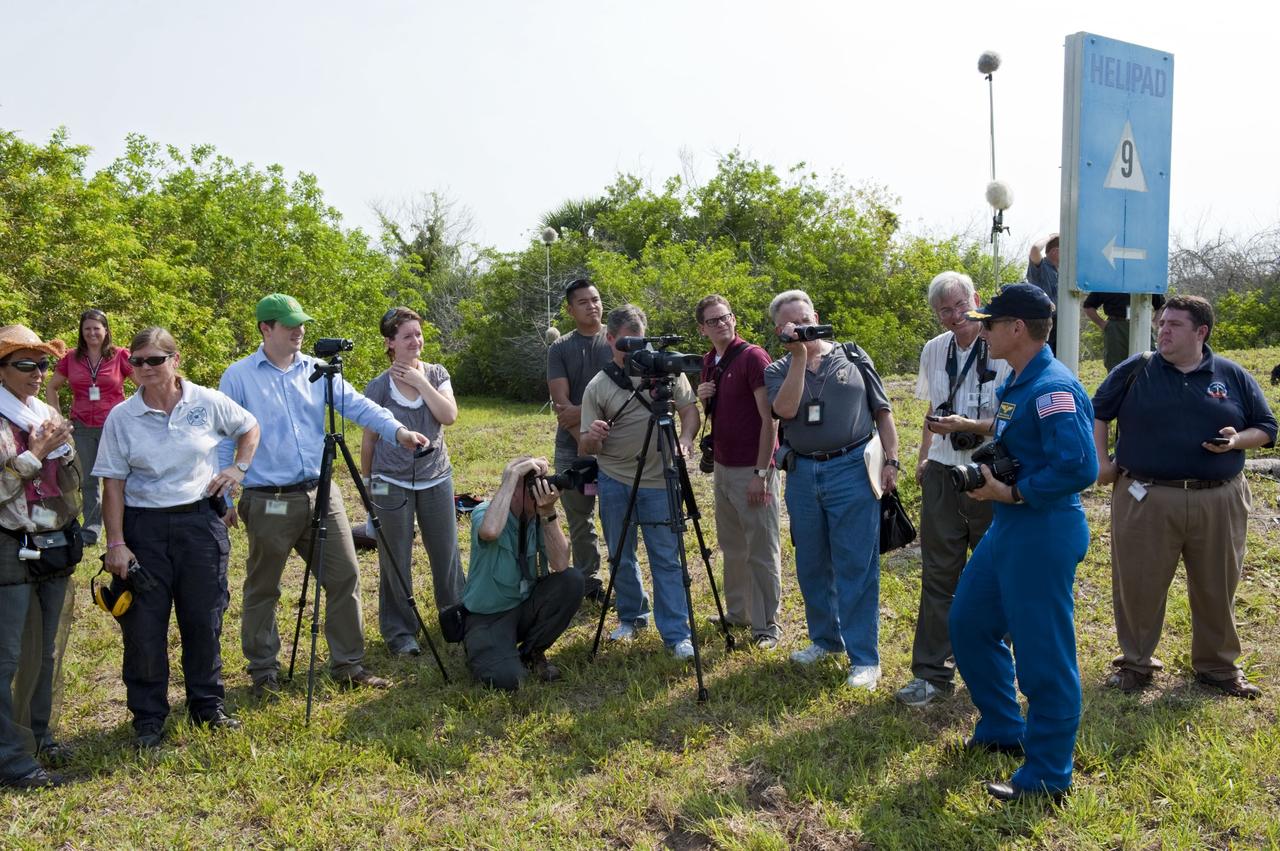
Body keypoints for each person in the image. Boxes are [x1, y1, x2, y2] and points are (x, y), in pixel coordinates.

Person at [218, 294, 429, 699]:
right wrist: (225, 496)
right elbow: (224, 438)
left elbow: (360, 406)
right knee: (264, 587)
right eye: (289, 324)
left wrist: (398, 431)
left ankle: (348, 664)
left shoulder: (319, 371)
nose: (299, 331)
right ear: (265, 328)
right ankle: (264, 673)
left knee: (345, 575)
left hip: (320, 492)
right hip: (268, 498)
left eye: (302, 323)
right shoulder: (239, 377)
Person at [948, 284, 1097, 802]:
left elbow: (1081, 466)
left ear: (1016, 329)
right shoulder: (1020, 381)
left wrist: (1014, 490)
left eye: (988, 324)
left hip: (1042, 529)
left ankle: (1047, 776)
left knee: (1043, 657)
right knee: (968, 623)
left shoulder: (1055, 387)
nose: (980, 331)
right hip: (1010, 527)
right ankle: (1002, 728)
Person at [1092, 295, 1276, 698]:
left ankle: (1217, 667)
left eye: (1174, 324)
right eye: (1162, 323)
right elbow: (1098, 412)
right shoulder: (1136, 369)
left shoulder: (1232, 375)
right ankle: (1135, 664)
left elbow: (1266, 427)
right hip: (1146, 497)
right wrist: (1102, 461)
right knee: (1138, 585)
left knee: (1217, 584)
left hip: (1220, 498)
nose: (1164, 331)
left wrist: (1236, 440)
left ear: (1201, 332)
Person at [95, 327, 260, 749]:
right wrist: (116, 543)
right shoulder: (121, 416)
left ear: (175, 360)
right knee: (144, 629)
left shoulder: (205, 402)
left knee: (203, 619)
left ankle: (207, 706)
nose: (145, 368)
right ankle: (148, 718)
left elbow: (249, 426)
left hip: (199, 525)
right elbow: (112, 482)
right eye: (138, 361)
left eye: (155, 360)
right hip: (144, 529)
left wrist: (237, 470)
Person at [763, 290, 900, 691]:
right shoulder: (777, 370)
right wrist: (800, 357)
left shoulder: (854, 355)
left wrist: (892, 460)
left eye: (805, 319)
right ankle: (825, 640)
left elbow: (883, 411)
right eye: (792, 325)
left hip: (853, 468)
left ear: (816, 315)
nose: (802, 328)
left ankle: (864, 659)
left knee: (856, 564)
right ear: (780, 331)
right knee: (812, 562)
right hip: (804, 472)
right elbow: (784, 411)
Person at [896, 273, 1010, 707]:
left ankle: (996, 671)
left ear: (975, 300)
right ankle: (931, 674)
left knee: (996, 573)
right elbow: (931, 410)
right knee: (938, 572)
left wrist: (970, 427)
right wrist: (924, 455)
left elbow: (1012, 418)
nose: (954, 315)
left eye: (960, 305)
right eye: (944, 310)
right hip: (944, 470)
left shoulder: (1001, 345)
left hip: (990, 471)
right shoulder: (933, 350)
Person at [579, 305, 700, 659]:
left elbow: (689, 410)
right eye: (625, 345)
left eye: (640, 343)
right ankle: (632, 616)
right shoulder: (598, 385)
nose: (634, 352)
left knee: (667, 556)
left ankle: (677, 633)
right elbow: (585, 444)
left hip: (661, 479)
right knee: (621, 555)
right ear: (610, 339)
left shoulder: (666, 374)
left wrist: (687, 440)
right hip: (615, 479)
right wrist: (595, 435)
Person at [0, 326, 80, 789]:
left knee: (47, 649)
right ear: (3, 370)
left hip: (53, 539)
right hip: (8, 544)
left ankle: (39, 734)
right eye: (25, 365)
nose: (37, 374)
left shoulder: (45, 410)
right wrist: (36, 453)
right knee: (6, 655)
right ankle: (9, 755)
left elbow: (68, 483)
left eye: (43, 365)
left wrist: (64, 451)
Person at [360, 307, 465, 657]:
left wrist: (421, 382)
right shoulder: (378, 387)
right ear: (390, 342)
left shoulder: (436, 374)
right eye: (407, 336)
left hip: (436, 476)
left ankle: (455, 618)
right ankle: (401, 632)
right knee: (395, 558)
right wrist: (367, 484)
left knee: (446, 553)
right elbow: (370, 440)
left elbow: (448, 415)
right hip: (390, 481)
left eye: (418, 334)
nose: (416, 341)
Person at [694, 295, 782, 649]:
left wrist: (762, 472)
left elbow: (769, 418)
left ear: (734, 319)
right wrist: (703, 396)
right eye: (713, 321)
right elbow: (717, 414)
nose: (721, 324)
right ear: (702, 329)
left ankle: (767, 626)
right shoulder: (708, 362)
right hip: (724, 465)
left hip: (753, 466)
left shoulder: (753, 357)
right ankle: (739, 612)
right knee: (732, 545)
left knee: (761, 547)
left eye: (725, 317)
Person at [461, 456, 584, 690]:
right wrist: (511, 478)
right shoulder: (486, 512)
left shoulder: (539, 516)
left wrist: (548, 511)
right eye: (534, 485)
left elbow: (560, 564)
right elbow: (489, 532)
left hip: (524, 606)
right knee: (508, 681)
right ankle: (484, 648)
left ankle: (531, 652)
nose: (542, 490)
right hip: (488, 617)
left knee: (572, 581)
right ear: (515, 490)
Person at [45, 309, 133, 546]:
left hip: (114, 425)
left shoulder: (121, 356)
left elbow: (144, 384)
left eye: (97, 328)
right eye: (87, 329)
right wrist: (58, 417)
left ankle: (125, 528)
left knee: (118, 478)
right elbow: (51, 388)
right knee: (89, 480)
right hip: (82, 425)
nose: (92, 333)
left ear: (106, 331)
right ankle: (91, 531)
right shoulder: (70, 358)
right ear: (82, 332)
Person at [546, 278, 611, 598]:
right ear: (570, 309)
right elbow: (562, 407)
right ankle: (590, 582)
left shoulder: (616, 340)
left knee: (616, 515)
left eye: (596, 299)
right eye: (583, 302)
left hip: (616, 448)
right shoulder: (560, 348)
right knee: (580, 518)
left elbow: (626, 400)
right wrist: (586, 441)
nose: (592, 306)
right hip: (573, 449)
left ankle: (623, 579)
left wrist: (584, 417)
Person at [1083, 292, 1166, 372]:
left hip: (1142, 325)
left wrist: (1154, 323)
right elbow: (1088, 306)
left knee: (1147, 362)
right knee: (1115, 365)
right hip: (1116, 328)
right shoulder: (1108, 281)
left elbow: (1161, 306)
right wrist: (1102, 324)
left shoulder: (1145, 279)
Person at [1027, 234, 1059, 353]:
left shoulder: (1061, 272)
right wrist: (1051, 237)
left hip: (1058, 326)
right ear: (1056, 251)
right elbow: (1035, 249)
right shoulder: (1042, 266)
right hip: (1043, 324)